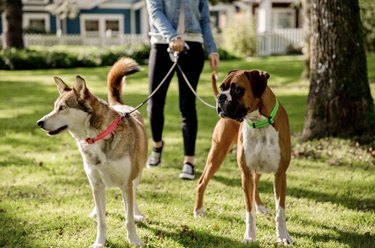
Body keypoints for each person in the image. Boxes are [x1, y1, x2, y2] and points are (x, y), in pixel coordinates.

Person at [145, 0, 219, 180]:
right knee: (155, 103)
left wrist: (212, 49)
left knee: (187, 105)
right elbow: (155, 12)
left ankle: (189, 161)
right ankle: (156, 146)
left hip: (193, 47)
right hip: (162, 44)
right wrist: (172, 37)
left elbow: (204, 20)